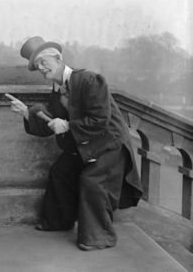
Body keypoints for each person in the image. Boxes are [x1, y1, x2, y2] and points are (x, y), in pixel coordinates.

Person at [8, 36, 143, 251]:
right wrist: (26, 112)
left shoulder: (90, 80)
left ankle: (100, 237)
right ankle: (58, 222)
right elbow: (51, 124)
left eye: (44, 62)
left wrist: (69, 125)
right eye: (37, 66)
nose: (41, 69)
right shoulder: (56, 91)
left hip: (110, 144)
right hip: (86, 144)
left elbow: (100, 120)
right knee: (60, 172)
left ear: (58, 58)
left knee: (92, 182)